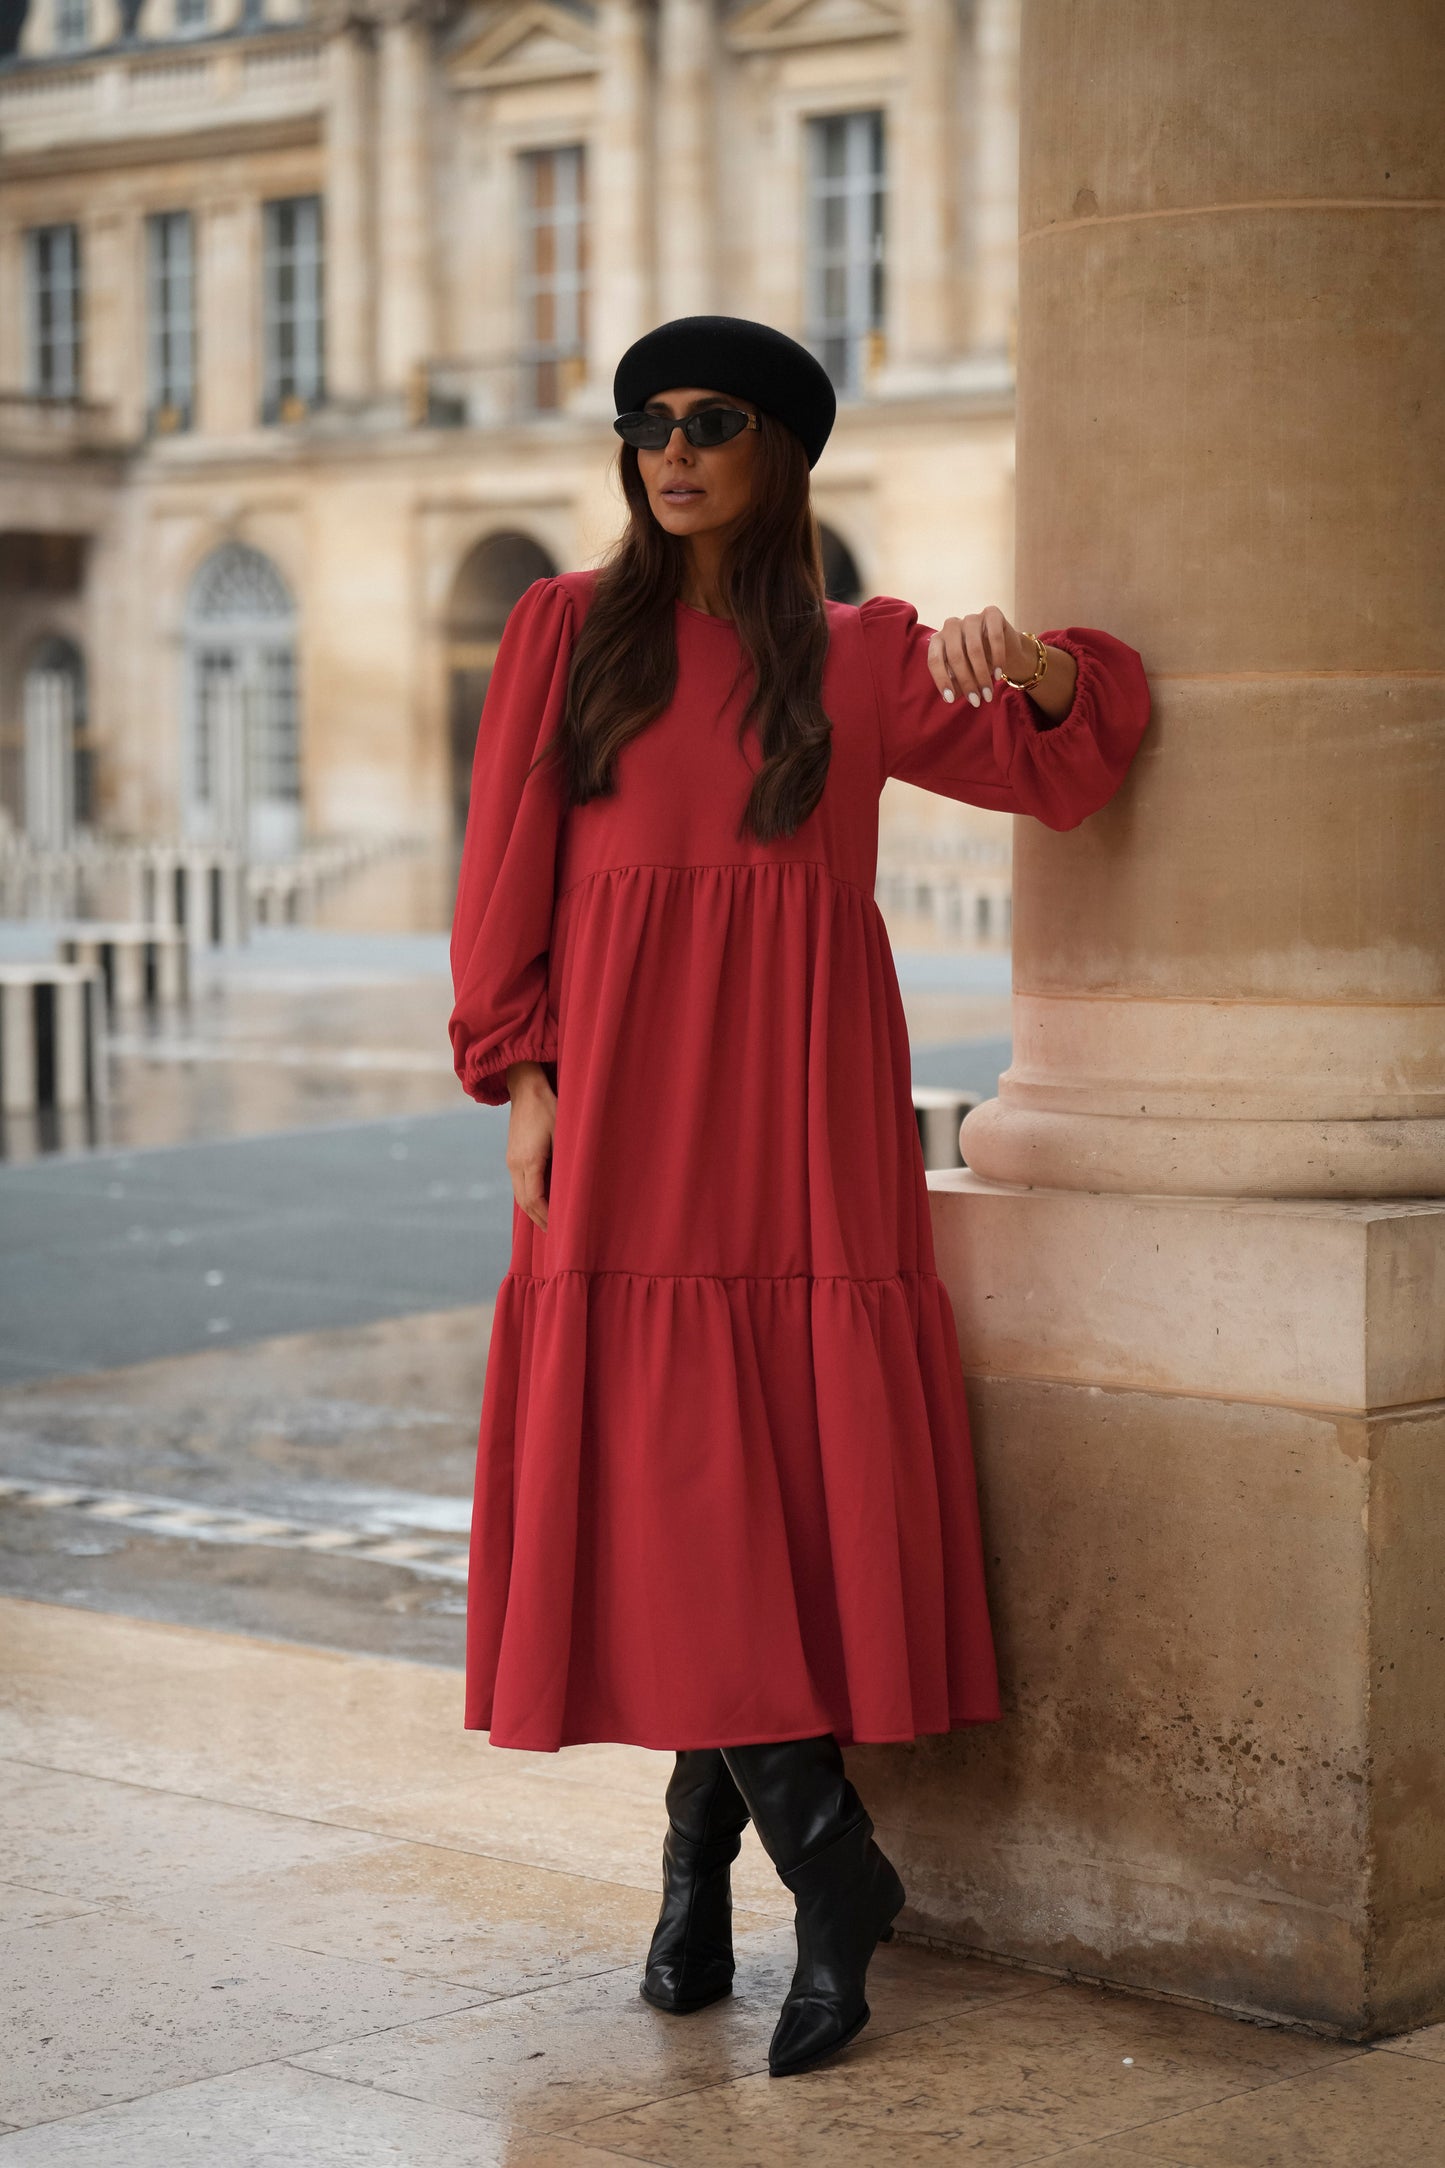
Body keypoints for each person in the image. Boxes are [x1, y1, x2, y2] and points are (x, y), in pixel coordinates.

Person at [449, 314, 1152, 2077]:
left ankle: (705, 1872)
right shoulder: (565, 627)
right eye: (643, 425)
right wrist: (520, 1073)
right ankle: (823, 1871)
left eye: (709, 422)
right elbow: (501, 873)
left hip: (800, 1091)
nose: (668, 450)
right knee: (672, 1467)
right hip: (618, 1094)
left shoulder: (861, 655)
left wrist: (1051, 671)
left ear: (783, 449)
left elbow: (1065, 763)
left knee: (753, 1454)